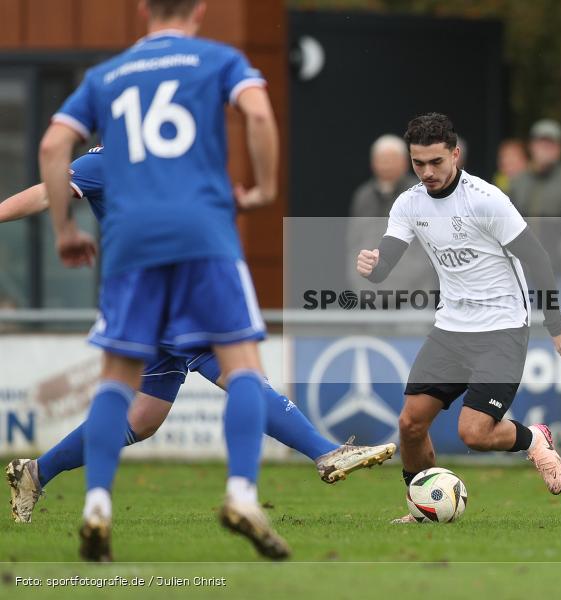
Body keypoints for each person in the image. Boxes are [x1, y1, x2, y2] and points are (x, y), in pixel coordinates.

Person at [3, 146, 396, 526]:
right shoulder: (108, 160)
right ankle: (325, 453)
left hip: (167, 295)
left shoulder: (172, 160)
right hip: (168, 297)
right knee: (242, 374)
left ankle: (36, 473)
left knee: (142, 418)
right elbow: (46, 193)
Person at [40, 0, 280, 561]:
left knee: (116, 380)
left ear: (143, 9)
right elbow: (261, 115)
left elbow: (54, 146)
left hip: (130, 243)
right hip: (204, 233)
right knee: (242, 365)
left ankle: (97, 503)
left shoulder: (107, 75)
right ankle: (242, 492)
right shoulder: (220, 59)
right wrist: (265, 189)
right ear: (199, 10)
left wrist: (63, 230)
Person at [355, 113, 561, 523]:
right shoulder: (409, 204)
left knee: (474, 433)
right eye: (418, 163)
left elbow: (537, 259)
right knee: (410, 424)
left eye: (436, 162)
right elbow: (385, 263)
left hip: (502, 329)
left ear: (455, 154)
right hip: (450, 331)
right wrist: (372, 264)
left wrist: (556, 325)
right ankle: (422, 507)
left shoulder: (486, 200)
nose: (426, 172)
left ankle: (534, 439)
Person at [508, 119, 561, 288]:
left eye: (551, 144)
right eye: (542, 143)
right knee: (525, 314)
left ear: (560, 149)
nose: (546, 149)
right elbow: (503, 218)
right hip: (524, 270)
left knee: (558, 313)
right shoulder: (518, 181)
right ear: (532, 146)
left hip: (560, 271)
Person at [345, 134, 433, 293]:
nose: (386, 165)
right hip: (370, 293)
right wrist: (360, 281)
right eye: (382, 160)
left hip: (415, 294)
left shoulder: (420, 194)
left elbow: (427, 248)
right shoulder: (363, 196)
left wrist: (397, 284)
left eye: (391, 159)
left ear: (406, 162)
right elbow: (354, 244)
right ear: (373, 163)